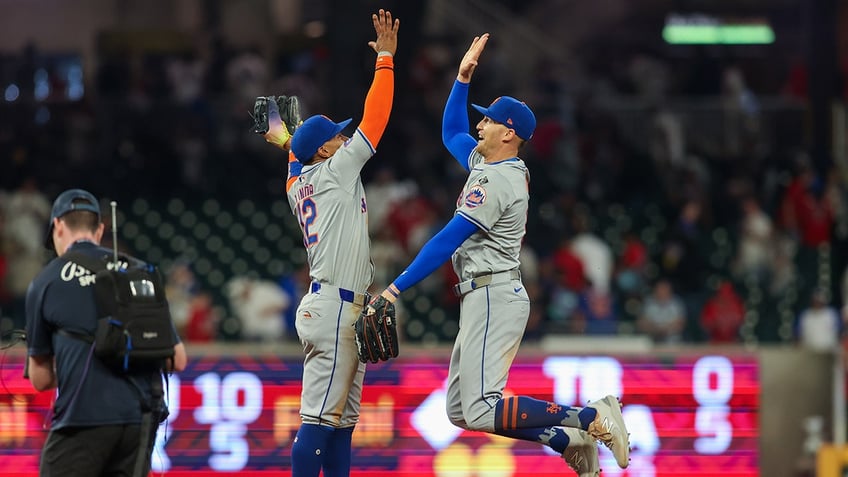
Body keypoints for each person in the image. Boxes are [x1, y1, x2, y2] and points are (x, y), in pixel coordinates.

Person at [368, 33, 629, 477]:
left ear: (510, 132)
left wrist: (394, 289)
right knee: (460, 411)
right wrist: (462, 79)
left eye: (488, 121)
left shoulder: (498, 181)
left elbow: (448, 238)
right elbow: (451, 130)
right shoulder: (488, 164)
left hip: (495, 293)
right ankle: (567, 439)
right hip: (482, 295)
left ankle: (591, 417)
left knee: (484, 407)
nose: (480, 125)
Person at [259, 9, 399, 477]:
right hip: (336, 307)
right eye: (338, 136)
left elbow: (295, 163)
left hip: (340, 306)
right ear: (324, 151)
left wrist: (287, 140)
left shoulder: (299, 182)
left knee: (340, 424)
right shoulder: (337, 171)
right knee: (318, 424)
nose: (345, 139)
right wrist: (385, 59)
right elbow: (375, 121)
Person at [25, 188, 187, 477]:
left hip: (81, 420)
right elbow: (178, 359)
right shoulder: (139, 271)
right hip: (139, 422)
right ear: (99, 229)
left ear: (58, 226)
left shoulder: (46, 280)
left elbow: (40, 379)